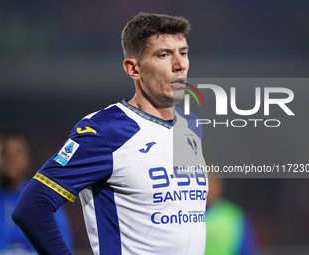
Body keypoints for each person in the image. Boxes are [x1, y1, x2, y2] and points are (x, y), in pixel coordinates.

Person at [12, 12, 208, 255]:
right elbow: (32, 207)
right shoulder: (104, 130)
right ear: (133, 68)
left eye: (184, 52)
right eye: (164, 54)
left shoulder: (191, 125)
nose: (179, 64)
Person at [0, 127, 73, 254]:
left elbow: (63, 247)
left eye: (17, 153)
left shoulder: (45, 202)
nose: (11, 158)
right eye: (3, 153)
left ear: (27, 160)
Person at [205, 177, 257, 255]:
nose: (207, 188)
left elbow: (248, 250)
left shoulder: (235, 216)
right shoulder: (184, 215)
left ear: (219, 185)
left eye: (211, 182)